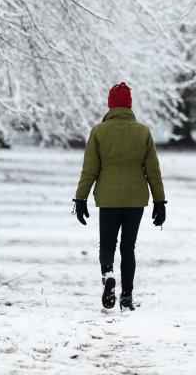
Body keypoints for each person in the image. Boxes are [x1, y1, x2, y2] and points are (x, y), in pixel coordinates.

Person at [72, 82, 167, 311]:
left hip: (108, 199)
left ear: (110, 105)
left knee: (107, 244)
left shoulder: (99, 131)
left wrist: (81, 198)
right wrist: (159, 201)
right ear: (129, 106)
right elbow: (153, 170)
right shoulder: (143, 132)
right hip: (136, 200)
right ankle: (126, 297)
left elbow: (90, 170)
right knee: (128, 248)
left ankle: (108, 275)